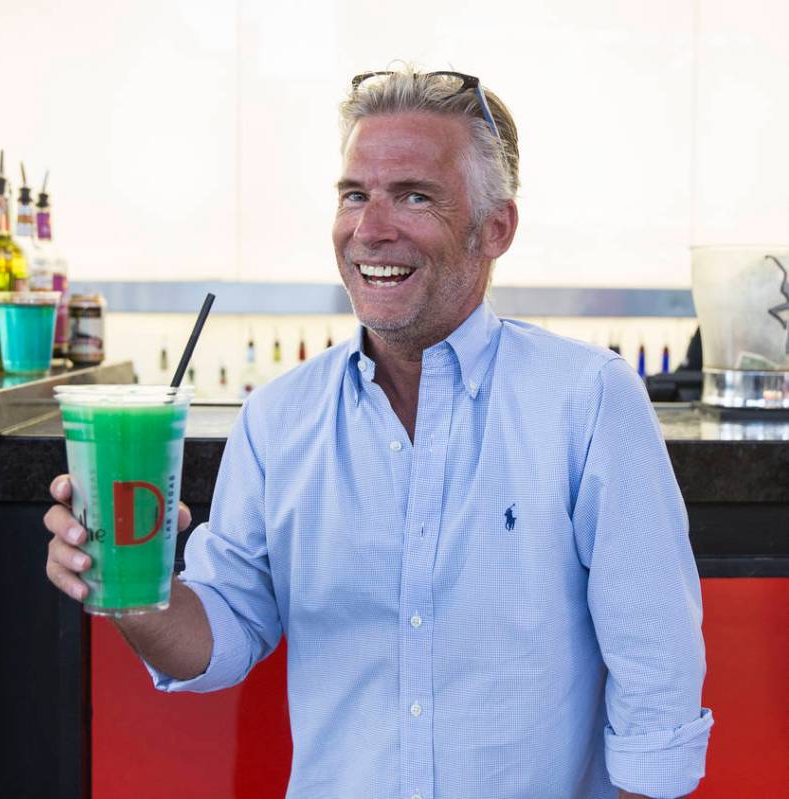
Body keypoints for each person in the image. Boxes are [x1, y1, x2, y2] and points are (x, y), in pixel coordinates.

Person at [45, 67, 712, 799]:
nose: (370, 228)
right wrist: (132, 589)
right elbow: (222, 635)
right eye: (354, 194)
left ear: (495, 229)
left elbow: (658, 678)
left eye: (414, 196)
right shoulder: (277, 418)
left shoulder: (586, 399)